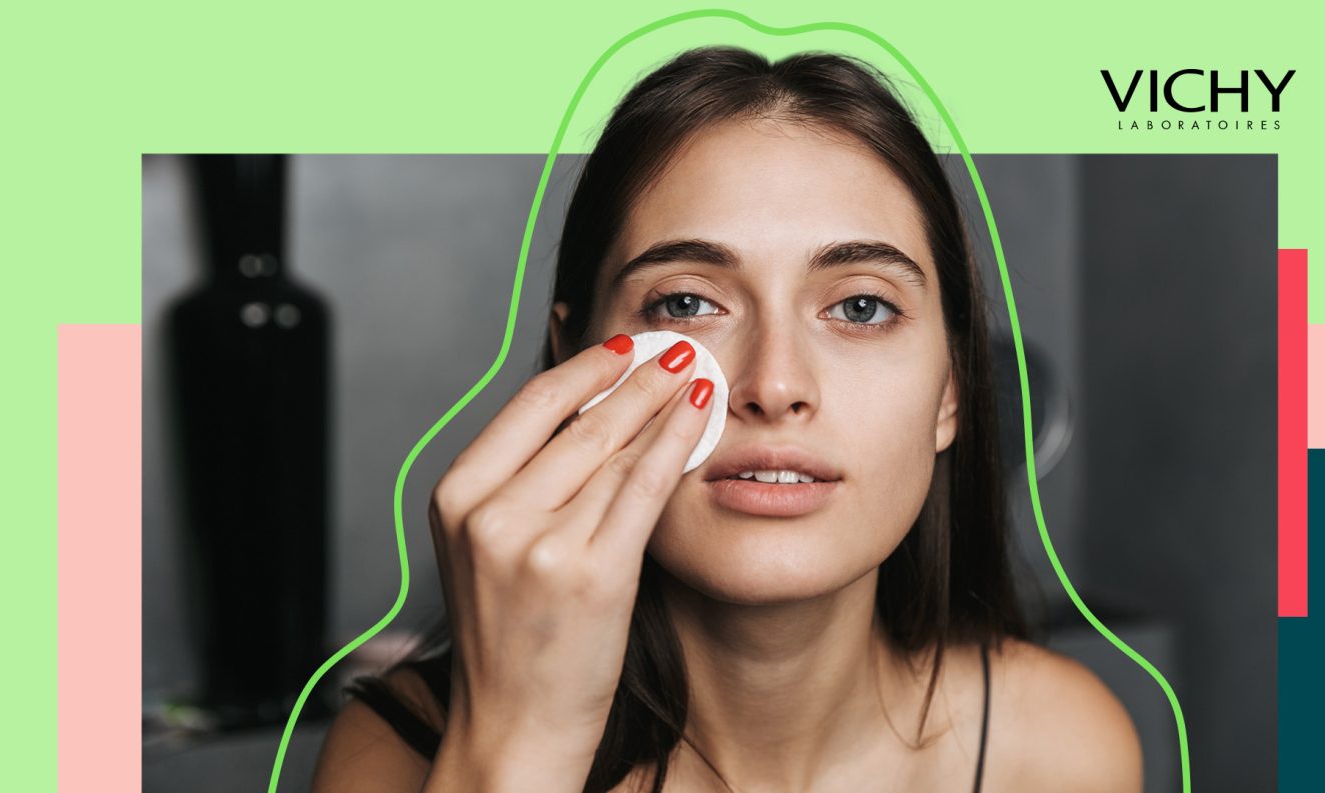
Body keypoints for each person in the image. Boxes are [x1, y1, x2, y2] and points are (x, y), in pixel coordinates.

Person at [310, 46, 1143, 793]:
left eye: (859, 305)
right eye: (687, 303)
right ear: (577, 366)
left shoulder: (1062, 751)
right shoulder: (394, 753)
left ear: (951, 391)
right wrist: (519, 749)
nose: (774, 385)